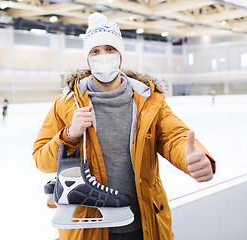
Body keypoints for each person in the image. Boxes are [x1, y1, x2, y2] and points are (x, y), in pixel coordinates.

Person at [32, 12, 215, 240]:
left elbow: (174, 137)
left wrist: (195, 158)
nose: (104, 56)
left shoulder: (148, 100)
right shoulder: (66, 104)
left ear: (120, 54)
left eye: (110, 49)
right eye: (95, 51)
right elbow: (41, 159)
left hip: (143, 223)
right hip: (89, 226)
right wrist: (69, 134)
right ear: (87, 58)